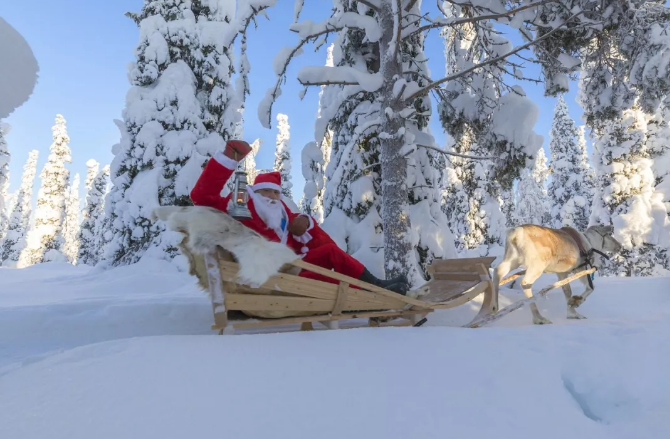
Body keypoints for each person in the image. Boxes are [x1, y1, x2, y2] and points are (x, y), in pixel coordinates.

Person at [190, 140, 410, 295]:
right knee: (332, 275)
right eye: (267, 192)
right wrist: (229, 159)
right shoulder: (239, 204)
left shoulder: (282, 215)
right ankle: (374, 293)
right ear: (255, 192)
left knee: (331, 257)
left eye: (277, 193)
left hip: (289, 268)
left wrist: (304, 222)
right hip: (269, 275)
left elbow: (307, 233)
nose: (273, 197)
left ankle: (376, 288)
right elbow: (201, 196)